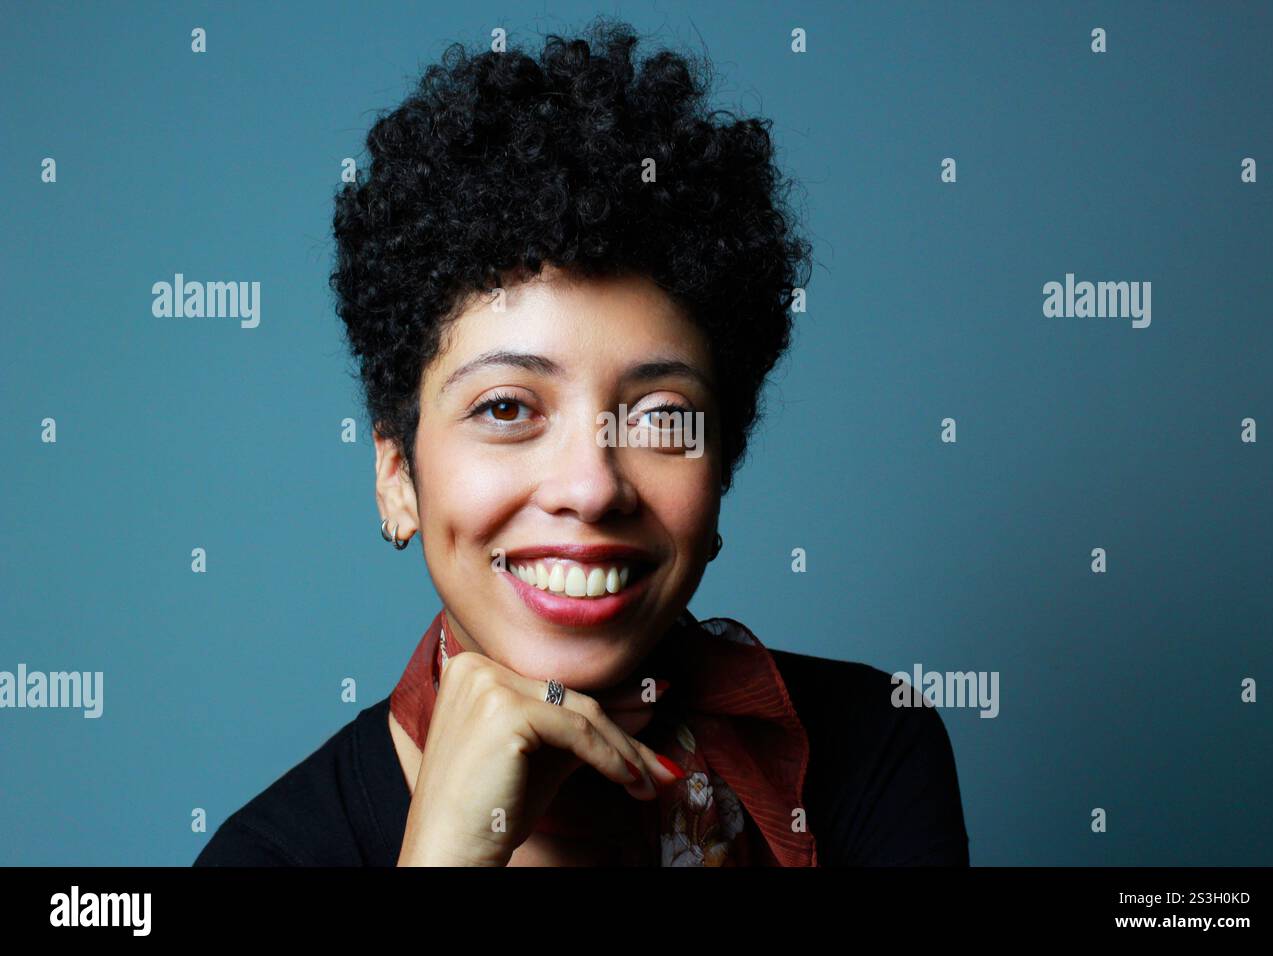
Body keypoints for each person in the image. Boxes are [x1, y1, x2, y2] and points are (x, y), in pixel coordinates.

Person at [194, 18, 969, 867]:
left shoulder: (874, 749)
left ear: (722, 474)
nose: (591, 486)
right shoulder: (270, 856)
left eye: (661, 417)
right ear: (396, 476)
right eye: (505, 408)